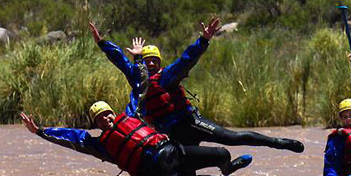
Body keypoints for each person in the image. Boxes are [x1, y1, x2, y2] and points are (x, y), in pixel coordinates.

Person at [89, 20, 304, 152]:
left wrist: (203, 40)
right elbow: (119, 60)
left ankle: (278, 142)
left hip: (190, 122)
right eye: (147, 60)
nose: (152, 63)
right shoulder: (136, 79)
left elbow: (186, 59)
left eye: (155, 60)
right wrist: (102, 43)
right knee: (183, 170)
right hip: (172, 133)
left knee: (232, 138)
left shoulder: (166, 76)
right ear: (141, 62)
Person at [21, 101, 247, 176]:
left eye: (107, 114)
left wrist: (138, 58)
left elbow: (140, 83)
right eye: (99, 119)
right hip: (158, 175)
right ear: (96, 124)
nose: (105, 119)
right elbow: (70, 138)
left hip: (173, 153)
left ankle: (227, 171)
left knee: (222, 153)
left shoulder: (131, 114)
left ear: (113, 112)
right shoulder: (99, 145)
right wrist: (41, 131)